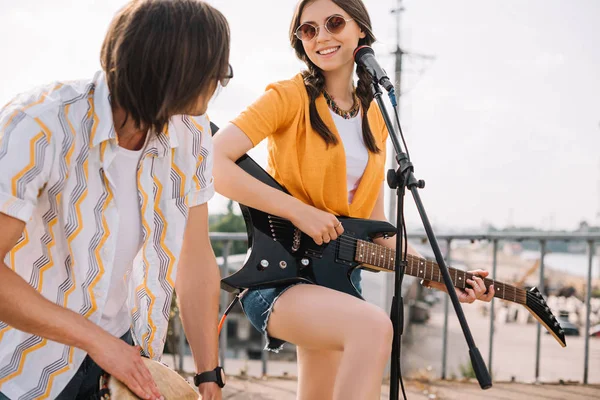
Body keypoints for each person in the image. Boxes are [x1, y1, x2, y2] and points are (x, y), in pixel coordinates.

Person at [213, 0, 495, 399]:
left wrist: (443, 278)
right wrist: (299, 211)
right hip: (279, 276)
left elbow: (377, 227)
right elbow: (213, 161)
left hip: (339, 277)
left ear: (360, 28)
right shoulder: (288, 96)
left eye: (333, 23)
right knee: (374, 326)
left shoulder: (376, 115)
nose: (322, 36)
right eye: (308, 30)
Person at [0, 1, 231, 399]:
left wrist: (208, 373)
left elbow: (195, 258)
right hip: (21, 364)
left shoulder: (193, 135)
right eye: (218, 70)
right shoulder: (39, 124)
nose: (222, 81)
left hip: (120, 359)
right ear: (178, 70)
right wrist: (97, 341)